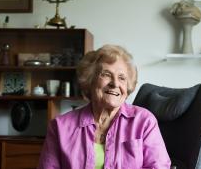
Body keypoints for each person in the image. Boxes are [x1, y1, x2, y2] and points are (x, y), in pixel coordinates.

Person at [38, 45, 171, 169]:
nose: (115, 83)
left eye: (122, 78)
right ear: (90, 80)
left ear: (128, 86)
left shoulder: (144, 122)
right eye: (106, 74)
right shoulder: (60, 127)